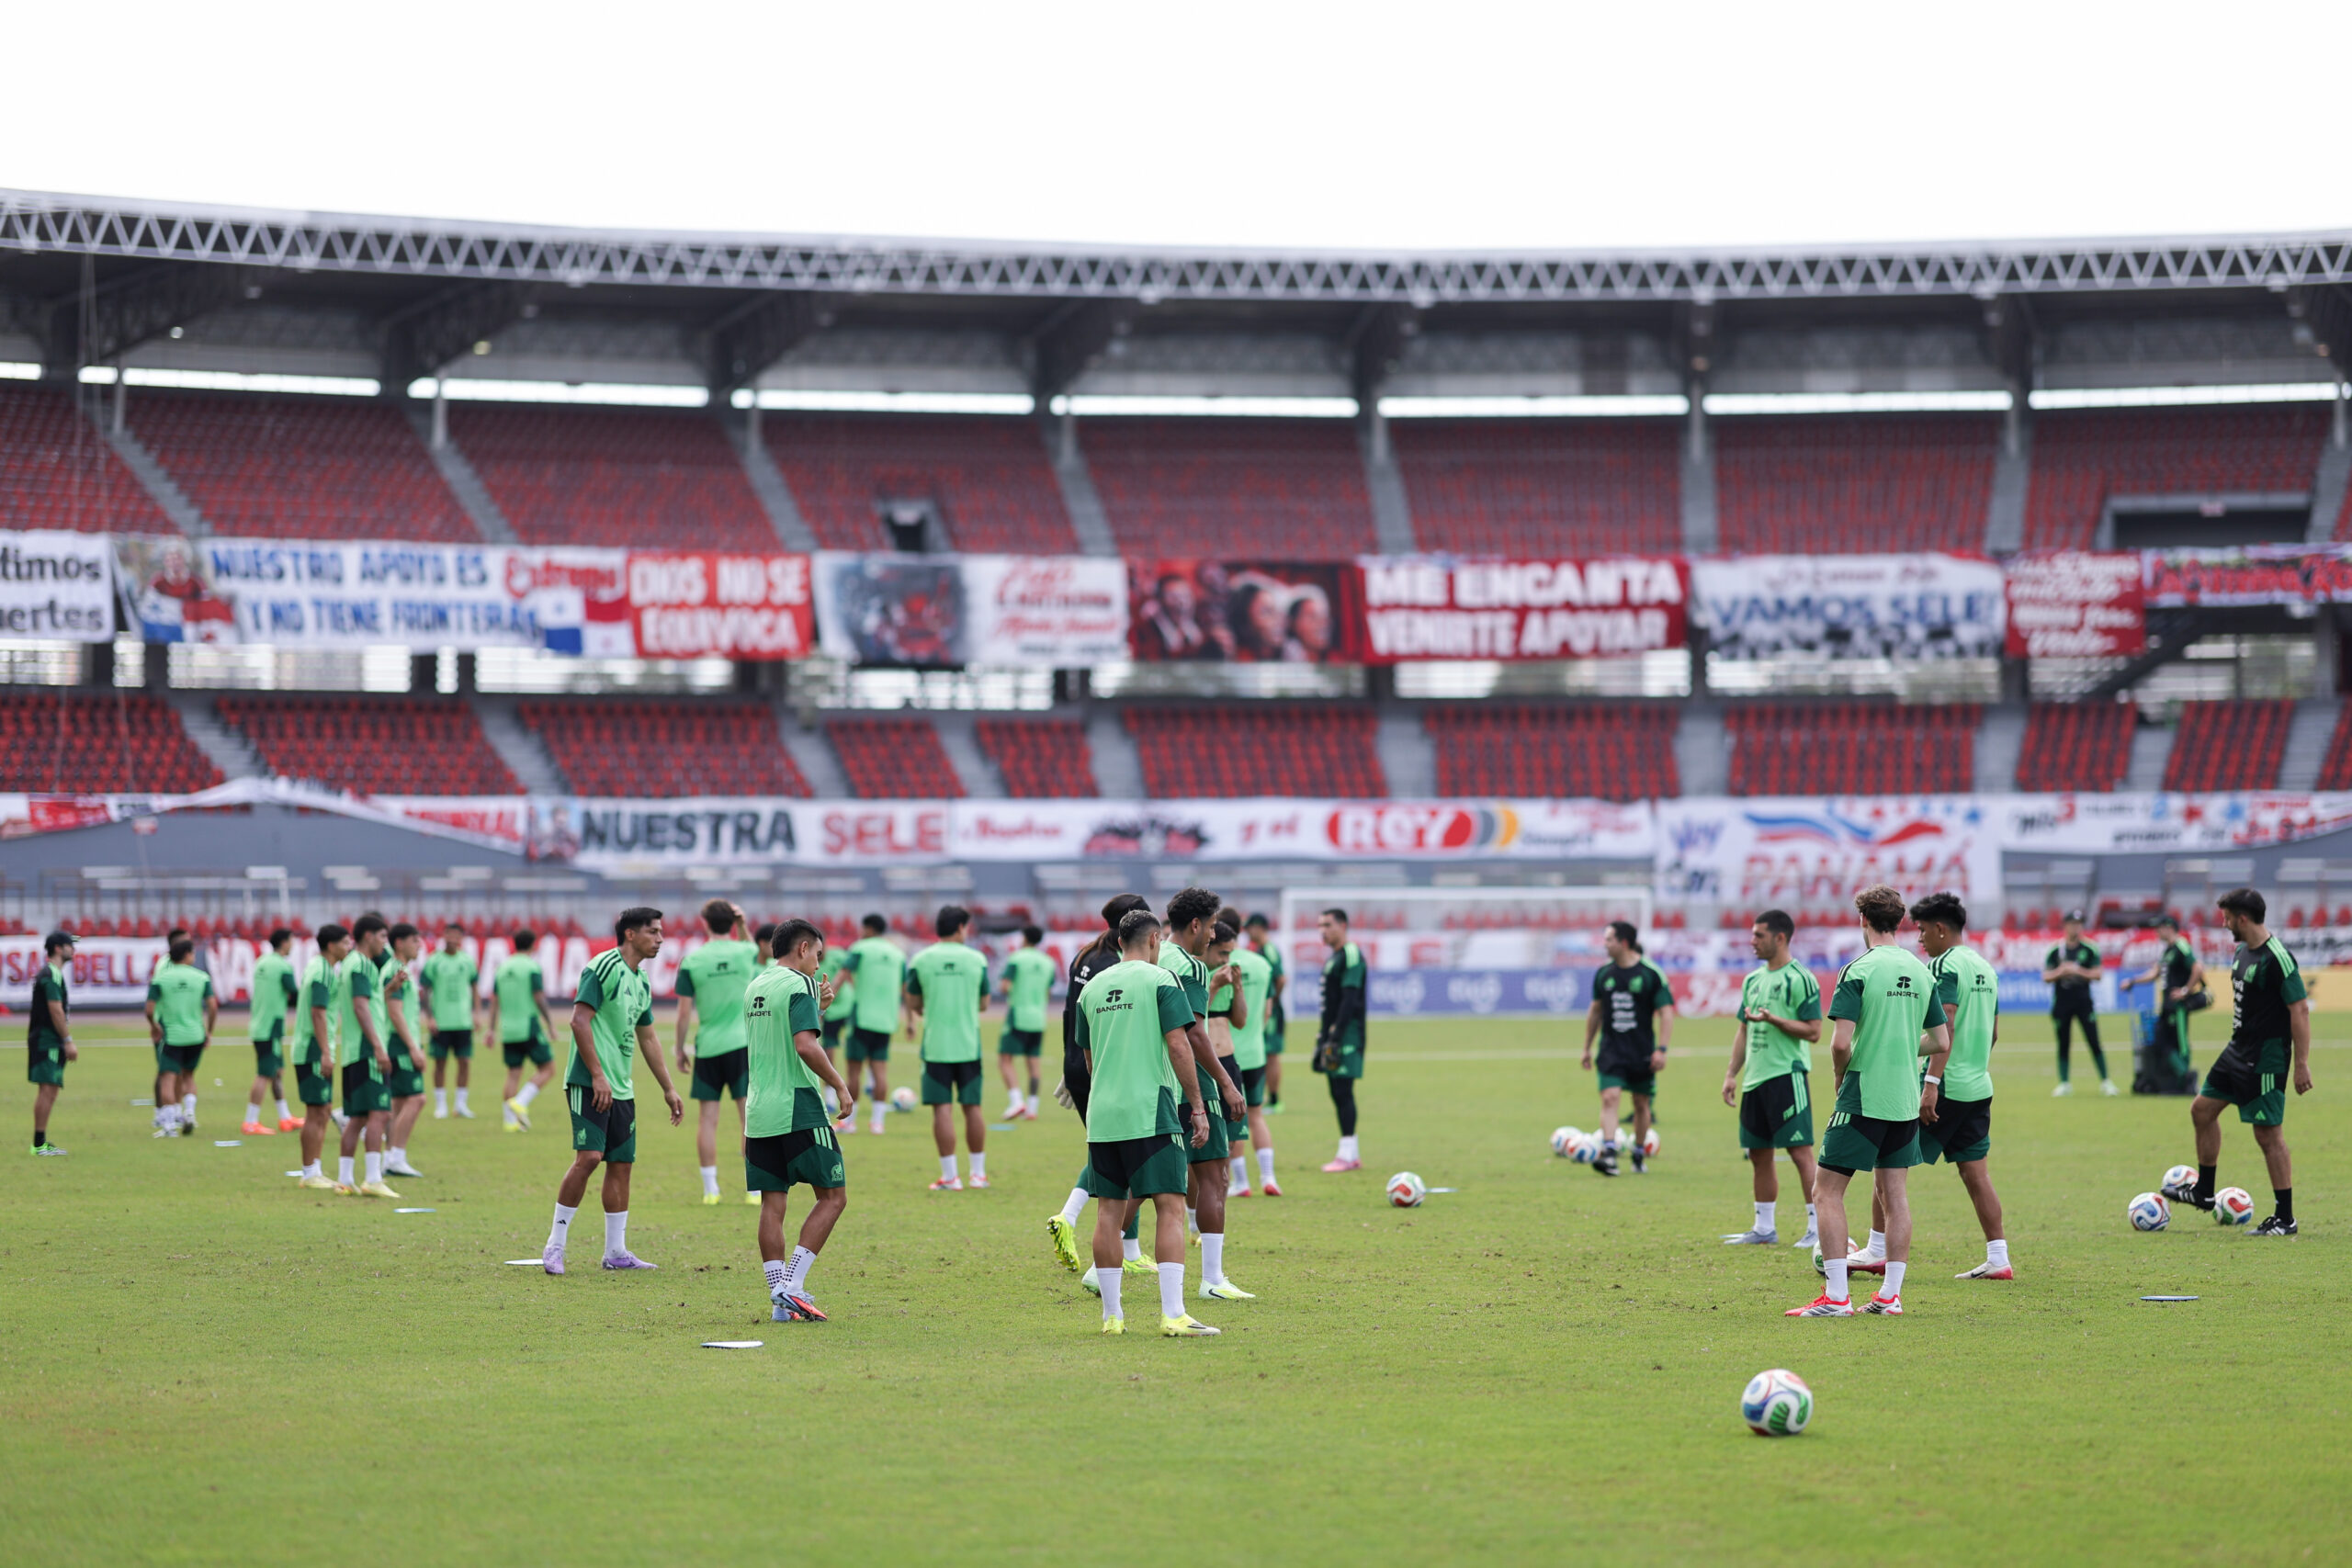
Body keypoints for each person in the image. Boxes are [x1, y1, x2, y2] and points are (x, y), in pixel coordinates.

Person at [1786, 886, 1949, 1318]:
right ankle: (1890, 1297)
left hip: (1863, 1093)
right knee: (1895, 1196)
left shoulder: (1858, 970)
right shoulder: (1921, 971)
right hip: (1903, 1097)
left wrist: (1841, 1076)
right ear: (1897, 922)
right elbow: (1940, 1039)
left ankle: (1837, 1297)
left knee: (1826, 1191)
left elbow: (1840, 1044)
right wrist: (1898, 1047)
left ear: (1863, 921)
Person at [1071, 907, 1220, 1337]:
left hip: (1103, 1116)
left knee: (1108, 1213)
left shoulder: (1093, 989)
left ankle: (1112, 1318)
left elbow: (1089, 1060)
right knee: (1171, 1208)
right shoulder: (1162, 980)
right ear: (1155, 940)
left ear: (1119, 942)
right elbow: (1179, 1046)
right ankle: (1173, 1314)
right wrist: (1196, 1106)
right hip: (1150, 1111)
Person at [2159, 888, 2312, 1236]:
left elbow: (2299, 1010)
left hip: (2265, 1059)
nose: (2224, 923)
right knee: (2201, 1110)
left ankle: (2285, 1218)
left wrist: (2301, 1063)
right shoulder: (2242, 952)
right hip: (2236, 1052)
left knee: (2267, 1134)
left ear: (2243, 918)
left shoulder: (2278, 958)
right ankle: (2203, 1191)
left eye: (2227, 917)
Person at [543, 908, 685, 1274]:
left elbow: (649, 1037)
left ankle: (616, 1252)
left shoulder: (641, 981)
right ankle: (555, 1246)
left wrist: (669, 1089)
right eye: (653, 932)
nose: (660, 939)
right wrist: (598, 1076)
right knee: (589, 1158)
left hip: (622, 1088)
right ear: (630, 935)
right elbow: (578, 1021)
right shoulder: (601, 967)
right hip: (589, 1082)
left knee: (621, 1166)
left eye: (661, 932)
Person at [1894, 892, 2012, 1281]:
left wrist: (1931, 1083)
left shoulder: (1943, 966)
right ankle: (1998, 1257)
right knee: (1975, 1172)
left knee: (1889, 1163)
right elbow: (1993, 1033)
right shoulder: (1985, 967)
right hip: (1978, 1086)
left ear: (1941, 929)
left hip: (1944, 1088)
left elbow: (1946, 1024)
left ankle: (1877, 1250)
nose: (1920, 940)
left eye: (1923, 931)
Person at [1046, 894, 1160, 1282]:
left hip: (1080, 1061)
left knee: (1115, 1152)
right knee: (1125, 1153)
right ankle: (1070, 1215)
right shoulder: (1119, 965)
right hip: (1106, 1064)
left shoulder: (1084, 956)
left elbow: (1070, 1014)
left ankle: (1129, 1250)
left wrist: (1069, 1064)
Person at [742, 919, 854, 1323]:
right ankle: (791, 1285)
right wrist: (840, 1086)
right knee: (833, 1196)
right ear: (803, 948)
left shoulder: (756, 984)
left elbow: (782, 1038)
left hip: (758, 1112)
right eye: (818, 955)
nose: (818, 965)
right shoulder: (798, 983)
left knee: (773, 1205)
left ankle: (778, 1302)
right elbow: (804, 1046)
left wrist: (819, 1010)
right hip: (799, 1105)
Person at [1719, 909, 1820, 1248]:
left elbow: (1815, 1031)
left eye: (1758, 935)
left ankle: (1818, 1227)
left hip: (1786, 1075)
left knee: (1800, 1152)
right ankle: (1764, 1229)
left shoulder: (1800, 978)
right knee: (1758, 1153)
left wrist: (1776, 1020)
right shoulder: (1752, 980)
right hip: (1755, 1080)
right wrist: (1732, 1074)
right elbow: (1743, 1029)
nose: (1752, 941)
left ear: (1780, 937)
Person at [1182, 912, 1254, 1300]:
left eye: (1229, 953)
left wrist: (1236, 987)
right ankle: (1208, 1267)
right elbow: (1194, 1025)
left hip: (1221, 1064)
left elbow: (1238, 1020)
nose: (1225, 960)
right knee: (1208, 1166)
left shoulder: (1219, 973)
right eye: (1220, 950)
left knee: (1219, 1157)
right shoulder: (1192, 971)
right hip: (1200, 1070)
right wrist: (1212, 984)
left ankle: (1202, 1231)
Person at [675, 899, 759, 1206]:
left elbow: (684, 1013)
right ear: (732, 923)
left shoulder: (692, 960)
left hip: (708, 1045)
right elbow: (757, 951)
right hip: (742, 1044)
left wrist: (679, 1048)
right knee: (748, 1118)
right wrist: (743, 924)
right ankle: (754, 1189)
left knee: (707, 1121)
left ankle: (711, 1190)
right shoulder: (745, 951)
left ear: (705, 922)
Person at [908, 905, 991, 1190]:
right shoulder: (977, 959)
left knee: (941, 1110)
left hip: (936, 1047)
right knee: (973, 1107)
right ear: (960, 928)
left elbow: (914, 1003)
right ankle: (978, 1175)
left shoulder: (920, 960)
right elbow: (984, 1003)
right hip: (969, 1044)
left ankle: (950, 1177)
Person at [1581, 919, 1673, 1177]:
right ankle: (1609, 1155)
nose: (1605, 944)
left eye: (1609, 939)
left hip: (1641, 1051)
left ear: (1623, 942)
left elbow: (1666, 1013)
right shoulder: (1604, 974)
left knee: (1641, 1104)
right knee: (1610, 1098)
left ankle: (1638, 1153)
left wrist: (1662, 1050)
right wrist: (1587, 1047)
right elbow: (1595, 1012)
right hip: (1611, 1050)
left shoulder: (1650, 974)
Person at [334, 915, 398, 1198]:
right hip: (366, 1050)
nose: (386, 944)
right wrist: (379, 1048)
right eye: (383, 937)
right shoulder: (361, 964)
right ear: (369, 936)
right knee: (380, 1113)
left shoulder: (351, 964)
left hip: (352, 1051)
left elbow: (367, 1002)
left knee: (357, 1117)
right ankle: (372, 1177)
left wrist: (389, 989)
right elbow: (361, 1007)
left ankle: (345, 1179)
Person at [1220, 911, 1280, 1197]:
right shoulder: (1262, 964)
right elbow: (1268, 1009)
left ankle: (1241, 1182)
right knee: (1256, 1115)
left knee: (1235, 1119)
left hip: (1228, 1053)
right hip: (1257, 1050)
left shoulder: (1220, 965)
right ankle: (1269, 1178)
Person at [290, 925, 352, 1191]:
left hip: (316, 1047)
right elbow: (318, 1012)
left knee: (324, 1110)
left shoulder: (321, 968)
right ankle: (309, 1171)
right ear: (331, 945)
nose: (349, 947)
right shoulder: (323, 972)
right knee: (316, 1112)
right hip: (313, 1049)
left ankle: (314, 1168)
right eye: (345, 942)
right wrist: (325, 1052)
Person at [2121, 913, 2204, 1095]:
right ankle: (2184, 1076)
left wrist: (2185, 990)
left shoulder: (2181, 945)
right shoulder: (2168, 951)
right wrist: (2133, 981)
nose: (2156, 931)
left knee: (2180, 1043)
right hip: (2167, 1005)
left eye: (2159, 927)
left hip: (2178, 1007)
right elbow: (2154, 973)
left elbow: (2198, 967)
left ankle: (2186, 1079)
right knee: (2161, 1041)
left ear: (2169, 927)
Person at [840, 914, 906, 1137]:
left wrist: (824, 1002)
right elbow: (905, 987)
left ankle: (849, 1122)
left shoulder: (861, 948)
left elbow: (843, 973)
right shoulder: (897, 953)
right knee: (880, 1073)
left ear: (868, 928)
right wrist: (912, 1021)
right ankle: (877, 1123)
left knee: (854, 1072)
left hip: (862, 1018)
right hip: (887, 1020)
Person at [146, 935, 218, 1139]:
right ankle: (189, 1113)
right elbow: (213, 1006)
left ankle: (169, 1126)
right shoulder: (201, 977)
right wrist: (209, 1030)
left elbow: (149, 1009)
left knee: (167, 1079)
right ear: (187, 955)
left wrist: (154, 1025)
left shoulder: (161, 979)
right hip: (195, 1034)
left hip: (172, 1035)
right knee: (189, 1076)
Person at [1315, 908, 1368, 1171]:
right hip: (1334, 1036)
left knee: (1344, 1091)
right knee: (1337, 1091)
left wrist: (1335, 1037)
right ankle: (1351, 1152)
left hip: (1347, 1035)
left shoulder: (1351, 954)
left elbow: (1349, 1001)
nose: (1323, 930)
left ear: (1343, 925)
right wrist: (1321, 1041)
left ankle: (1347, 1155)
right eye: (1320, 926)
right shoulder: (1334, 957)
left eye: (1328, 925)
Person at [492, 929, 560, 1132]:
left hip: (508, 1028)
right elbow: (539, 997)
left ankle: (510, 1122)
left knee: (513, 1073)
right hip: (528, 1025)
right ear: (533, 945)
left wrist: (491, 1029)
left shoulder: (503, 967)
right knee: (548, 1069)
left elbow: (495, 1001)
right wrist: (550, 1024)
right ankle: (521, 1101)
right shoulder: (531, 967)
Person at [2042, 910, 2115, 1096]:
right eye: (2073, 923)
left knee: (2094, 1040)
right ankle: (2064, 1083)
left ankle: (2106, 1081)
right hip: (2062, 1001)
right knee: (2063, 1042)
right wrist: (2061, 972)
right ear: (2065, 926)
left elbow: (2098, 974)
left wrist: (2076, 970)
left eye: (2079, 923)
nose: (2076, 927)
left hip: (2083, 1001)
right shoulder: (2055, 949)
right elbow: (2046, 976)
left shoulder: (2090, 948)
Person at [380, 922, 431, 1179]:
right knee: (417, 1098)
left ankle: (389, 1157)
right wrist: (413, 1047)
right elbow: (394, 1011)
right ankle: (396, 1157)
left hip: (399, 1041)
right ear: (399, 943)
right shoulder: (396, 970)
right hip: (400, 1043)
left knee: (399, 1102)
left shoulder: (398, 969)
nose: (419, 945)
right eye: (414, 940)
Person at [243, 928, 301, 1136]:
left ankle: (285, 1117)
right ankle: (250, 1121)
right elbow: (294, 995)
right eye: (291, 940)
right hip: (271, 1026)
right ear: (284, 942)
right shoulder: (283, 966)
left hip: (259, 1022)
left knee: (276, 1072)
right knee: (265, 1074)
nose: (293, 945)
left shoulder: (262, 962)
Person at [995, 924, 1056, 1121]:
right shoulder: (1048, 962)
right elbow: (1048, 991)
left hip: (1019, 1014)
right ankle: (1032, 1108)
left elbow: (1004, 986)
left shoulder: (1017, 958)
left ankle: (1016, 1101)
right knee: (1034, 1064)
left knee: (1005, 1060)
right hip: (1038, 1018)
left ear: (1024, 938)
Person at [421, 921, 480, 1120]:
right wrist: (430, 1017)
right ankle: (441, 1106)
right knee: (440, 1063)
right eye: (449, 934)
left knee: (464, 1062)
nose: (453, 938)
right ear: (444, 936)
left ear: (461, 938)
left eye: (456, 935)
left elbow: (475, 987)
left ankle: (461, 1105)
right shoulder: (434, 961)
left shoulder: (467, 961)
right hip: (441, 1021)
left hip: (463, 1021)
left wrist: (476, 1013)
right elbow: (425, 990)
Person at [28, 930, 76, 1155]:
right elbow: (55, 1010)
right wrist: (67, 1040)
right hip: (48, 1040)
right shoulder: (51, 975)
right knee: (48, 1090)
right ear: (58, 948)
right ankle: (39, 1144)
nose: (73, 950)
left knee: (50, 1090)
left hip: (46, 1039)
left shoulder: (51, 974)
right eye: (69, 945)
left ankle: (40, 1142)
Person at [1243, 912, 1287, 1114]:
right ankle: (1268, 1097)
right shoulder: (1261, 949)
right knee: (1266, 1054)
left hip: (1273, 1011)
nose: (1247, 933)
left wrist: (1272, 1000)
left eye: (1249, 928)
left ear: (1258, 928)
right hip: (1268, 1008)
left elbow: (1281, 979)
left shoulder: (1269, 950)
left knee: (1271, 1055)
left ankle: (1275, 1100)